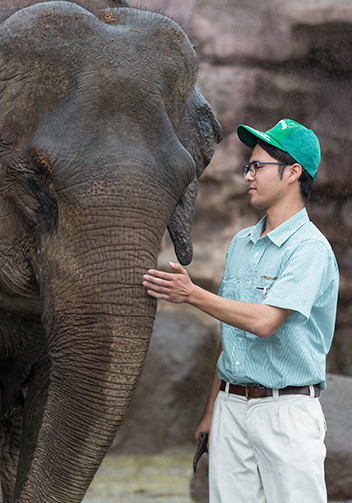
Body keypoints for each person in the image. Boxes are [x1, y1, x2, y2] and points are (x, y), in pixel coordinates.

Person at [142, 118, 339, 503]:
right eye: (248, 166)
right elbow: (230, 337)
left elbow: (265, 322)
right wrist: (213, 411)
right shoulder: (241, 244)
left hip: (287, 415)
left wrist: (192, 294)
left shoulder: (310, 250)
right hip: (231, 409)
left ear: (293, 173)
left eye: (258, 167)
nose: (248, 175)